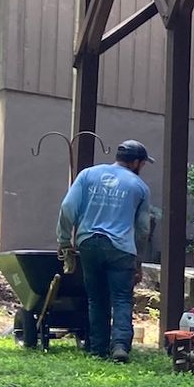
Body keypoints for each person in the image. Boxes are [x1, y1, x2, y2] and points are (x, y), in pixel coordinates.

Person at [58, 140, 157, 363]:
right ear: (135, 163)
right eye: (142, 163)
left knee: (96, 297)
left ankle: (98, 347)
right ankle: (120, 345)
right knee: (121, 297)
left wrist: (64, 241)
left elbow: (67, 208)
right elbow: (142, 229)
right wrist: (137, 261)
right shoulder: (139, 187)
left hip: (89, 242)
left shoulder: (87, 175)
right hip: (121, 248)